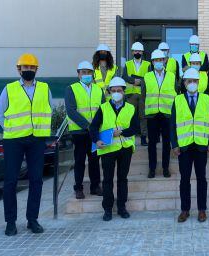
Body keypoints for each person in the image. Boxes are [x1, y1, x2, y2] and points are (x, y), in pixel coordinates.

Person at [0, 53, 53, 236]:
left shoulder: (45, 88)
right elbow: (0, 115)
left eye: (31, 68)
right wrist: (12, 130)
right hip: (14, 140)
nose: (28, 70)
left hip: (37, 139)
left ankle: (32, 220)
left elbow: (49, 110)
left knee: (36, 180)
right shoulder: (9, 89)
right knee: (11, 181)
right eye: (25, 67)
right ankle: (10, 222)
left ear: (36, 70)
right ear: (19, 69)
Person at [89, 77, 139, 221]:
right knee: (107, 180)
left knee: (123, 179)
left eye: (119, 90)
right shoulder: (103, 108)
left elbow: (135, 128)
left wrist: (121, 132)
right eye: (113, 90)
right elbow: (93, 127)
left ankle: (122, 207)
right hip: (108, 149)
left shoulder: (131, 108)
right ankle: (108, 209)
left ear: (124, 92)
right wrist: (96, 140)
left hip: (125, 148)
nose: (116, 93)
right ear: (109, 92)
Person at [170, 68, 209, 223]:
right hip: (184, 147)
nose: (192, 84)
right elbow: (172, 124)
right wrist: (174, 144)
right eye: (189, 81)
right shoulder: (177, 100)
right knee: (184, 180)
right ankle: (185, 210)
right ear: (184, 83)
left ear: (199, 82)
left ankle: (202, 210)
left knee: (202, 178)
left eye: (195, 81)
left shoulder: (205, 99)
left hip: (201, 146)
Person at [65, 61, 105, 199]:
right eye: (83, 72)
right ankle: (79, 188)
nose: (86, 75)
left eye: (88, 72)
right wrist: (88, 126)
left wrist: (95, 127)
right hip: (79, 132)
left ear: (92, 74)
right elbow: (71, 111)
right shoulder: (71, 88)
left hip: (94, 132)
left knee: (94, 160)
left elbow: (103, 110)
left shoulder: (98, 89)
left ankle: (95, 186)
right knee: (80, 161)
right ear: (78, 74)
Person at [143, 49, 178, 178]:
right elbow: (143, 96)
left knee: (166, 142)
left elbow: (176, 94)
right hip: (152, 114)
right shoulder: (147, 77)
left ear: (164, 61)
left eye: (160, 60)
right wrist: (144, 113)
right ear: (152, 62)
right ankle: (152, 169)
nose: (158, 62)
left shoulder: (172, 76)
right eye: (156, 60)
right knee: (152, 143)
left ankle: (165, 168)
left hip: (167, 114)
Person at [122, 42, 151, 146]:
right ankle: (129, 136)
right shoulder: (127, 64)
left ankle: (143, 137)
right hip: (131, 95)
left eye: (139, 51)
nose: (137, 52)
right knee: (130, 116)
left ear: (142, 52)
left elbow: (149, 78)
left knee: (143, 116)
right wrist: (134, 81)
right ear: (132, 52)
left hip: (143, 94)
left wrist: (141, 81)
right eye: (135, 51)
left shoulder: (147, 64)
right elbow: (124, 77)